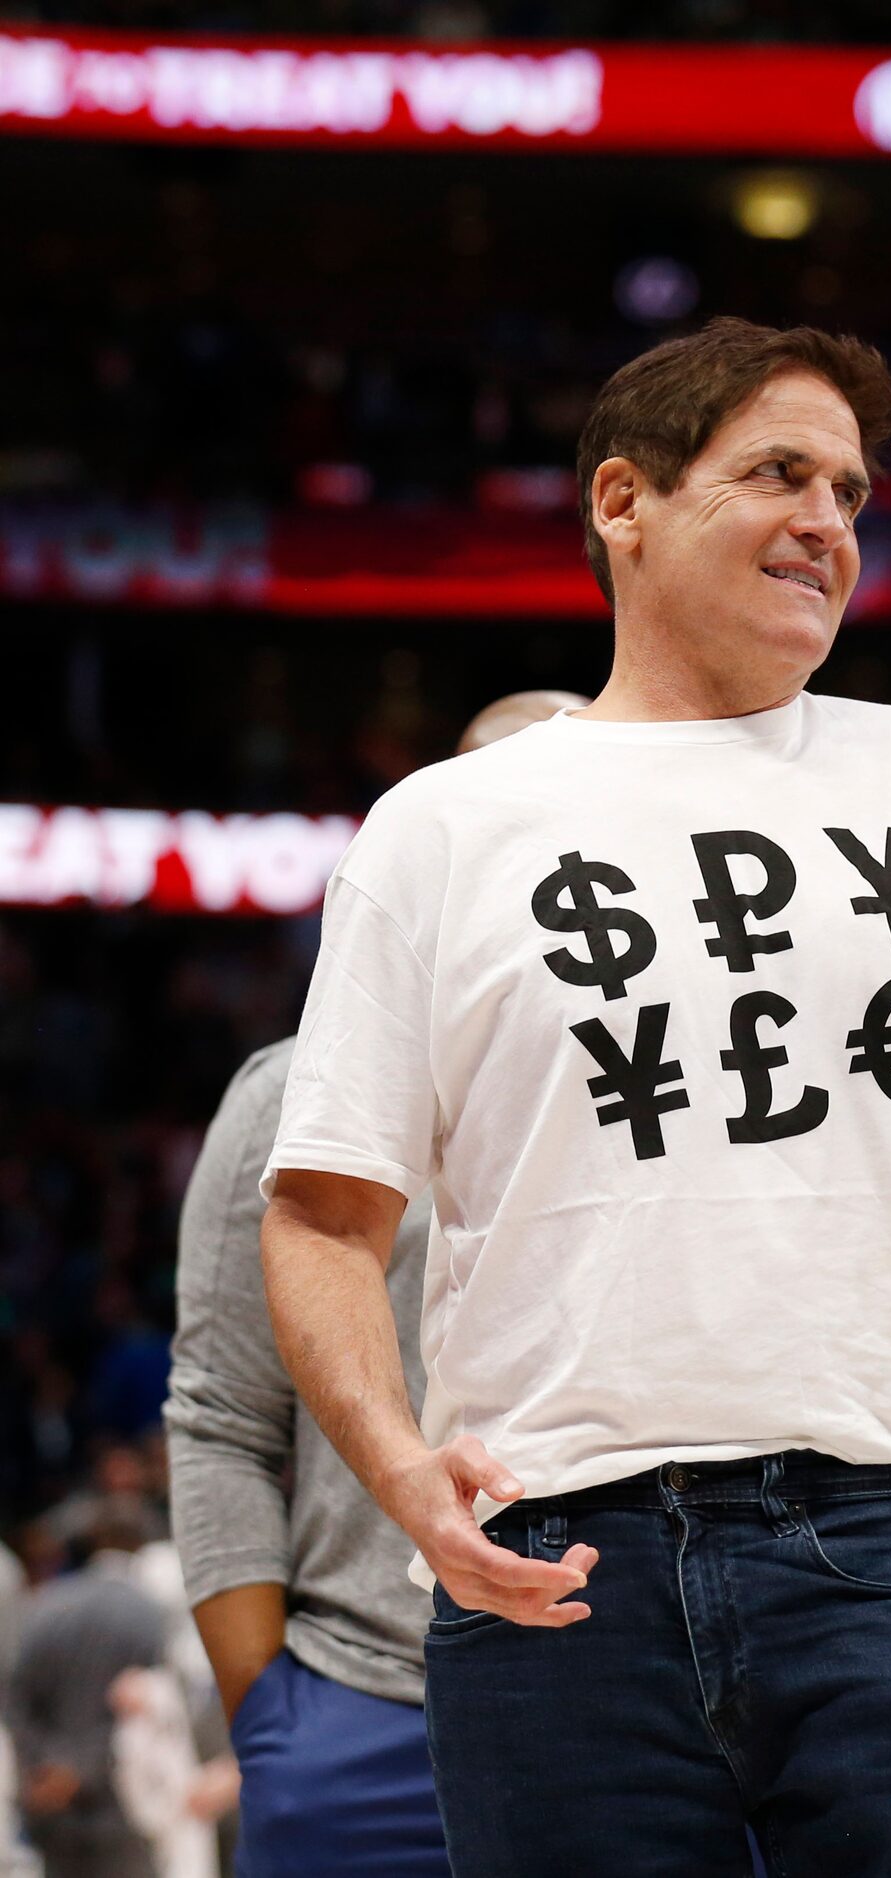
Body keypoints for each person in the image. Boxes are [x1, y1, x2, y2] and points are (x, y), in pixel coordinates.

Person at [256, 317, 891, 1876]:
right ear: (622, 502)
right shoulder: (440, 827)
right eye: (779, 473)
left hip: (879, 1534)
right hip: (554, 1553)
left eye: (850, 492)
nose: (828, 522)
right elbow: (321, 1212)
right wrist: (402, 1475)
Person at [165, 689, 586, 1877]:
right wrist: (276, 1724)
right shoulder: (290, 1094)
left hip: (647, 1712)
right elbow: (221, 1417)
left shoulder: (698, 1086)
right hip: (363, 1716)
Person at [5, 1506, 169, 1878]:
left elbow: (16, 1699)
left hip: (49, 1803)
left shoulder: (46, 1603)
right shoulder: (152, 1611)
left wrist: (44, 1766)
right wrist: (81, 1770)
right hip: (125, 1805)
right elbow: (153, 1713)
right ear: (143, 1547)